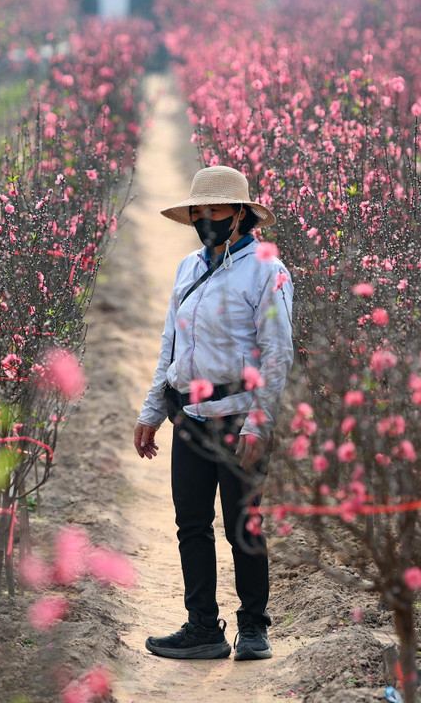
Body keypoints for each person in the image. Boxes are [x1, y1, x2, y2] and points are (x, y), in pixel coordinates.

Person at [133, 165, 295, 661]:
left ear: (242, 214)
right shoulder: (188, 267)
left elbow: (277, 353)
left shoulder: (267, 269)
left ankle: (253, 628)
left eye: (218, 210)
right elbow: (171, 345)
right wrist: (153, 410)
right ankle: (203, 626)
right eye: (200, 211)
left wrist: (259, 424)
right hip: (189, 419)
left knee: (242, 525)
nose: (208, 219)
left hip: (238, 417)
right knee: (192, 524)